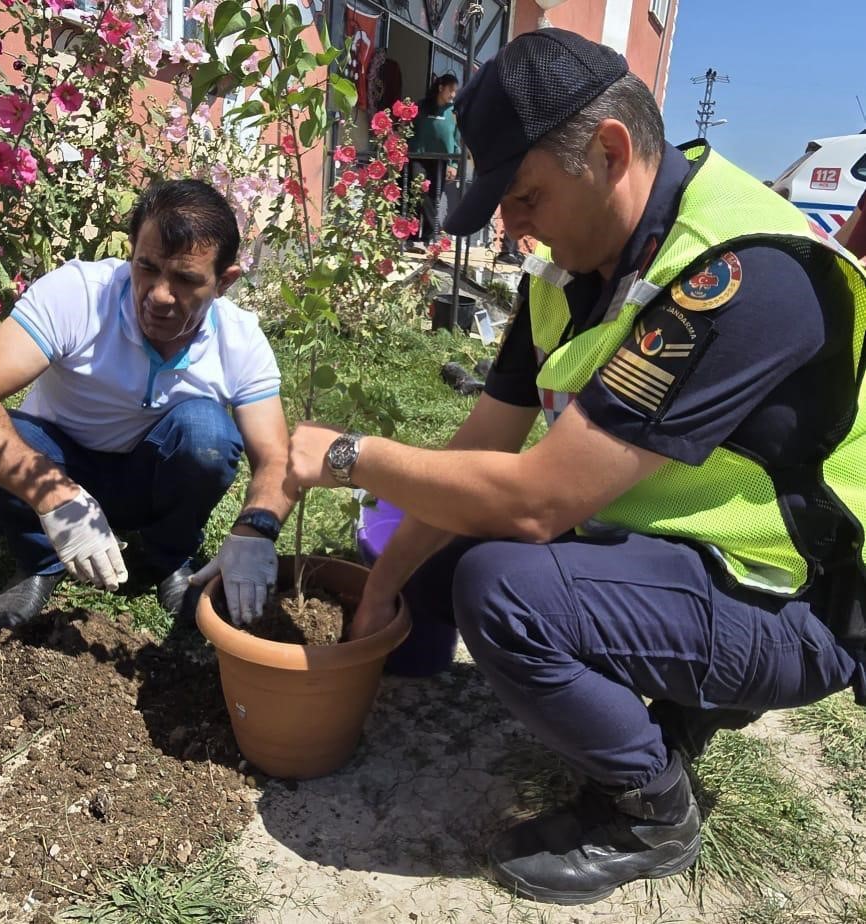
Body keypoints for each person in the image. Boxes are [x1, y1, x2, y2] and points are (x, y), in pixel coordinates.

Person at [285, 29, 866, 906]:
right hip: (670, 550)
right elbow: (479, 453)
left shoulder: (741, 274)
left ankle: (649, 808)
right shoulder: (570, 276)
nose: (513, 231)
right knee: (433, 522)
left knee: (504, 581)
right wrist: (380, 596)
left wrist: (345, 456)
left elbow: (535, 504)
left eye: (524, 198)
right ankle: (419, 665)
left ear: (609, 151)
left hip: (789, 601)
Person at [0, 179, 296, 632]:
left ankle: (167, 555)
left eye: (185, 279)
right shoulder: (80, 294)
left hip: (149, 476)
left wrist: (256, 529)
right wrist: (54, 495)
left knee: (207, 435)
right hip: (56, 464)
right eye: (147, 267)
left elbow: (276, 456)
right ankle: (41, 557)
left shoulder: (239, 340)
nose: (159, 294)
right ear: (131, 252)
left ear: (224, 281)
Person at [410, 74, 461, 244]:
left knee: (434, 197)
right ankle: (414, 235)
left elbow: (456, 138)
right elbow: (408, 128)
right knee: (419, 193)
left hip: (441, 160)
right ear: (441, 88)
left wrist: (453, 163)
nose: (453, 95)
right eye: (451, 90)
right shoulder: (421, 106)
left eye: (455, 91)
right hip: (419, 156)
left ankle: (429, 235)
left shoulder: (453, 112)